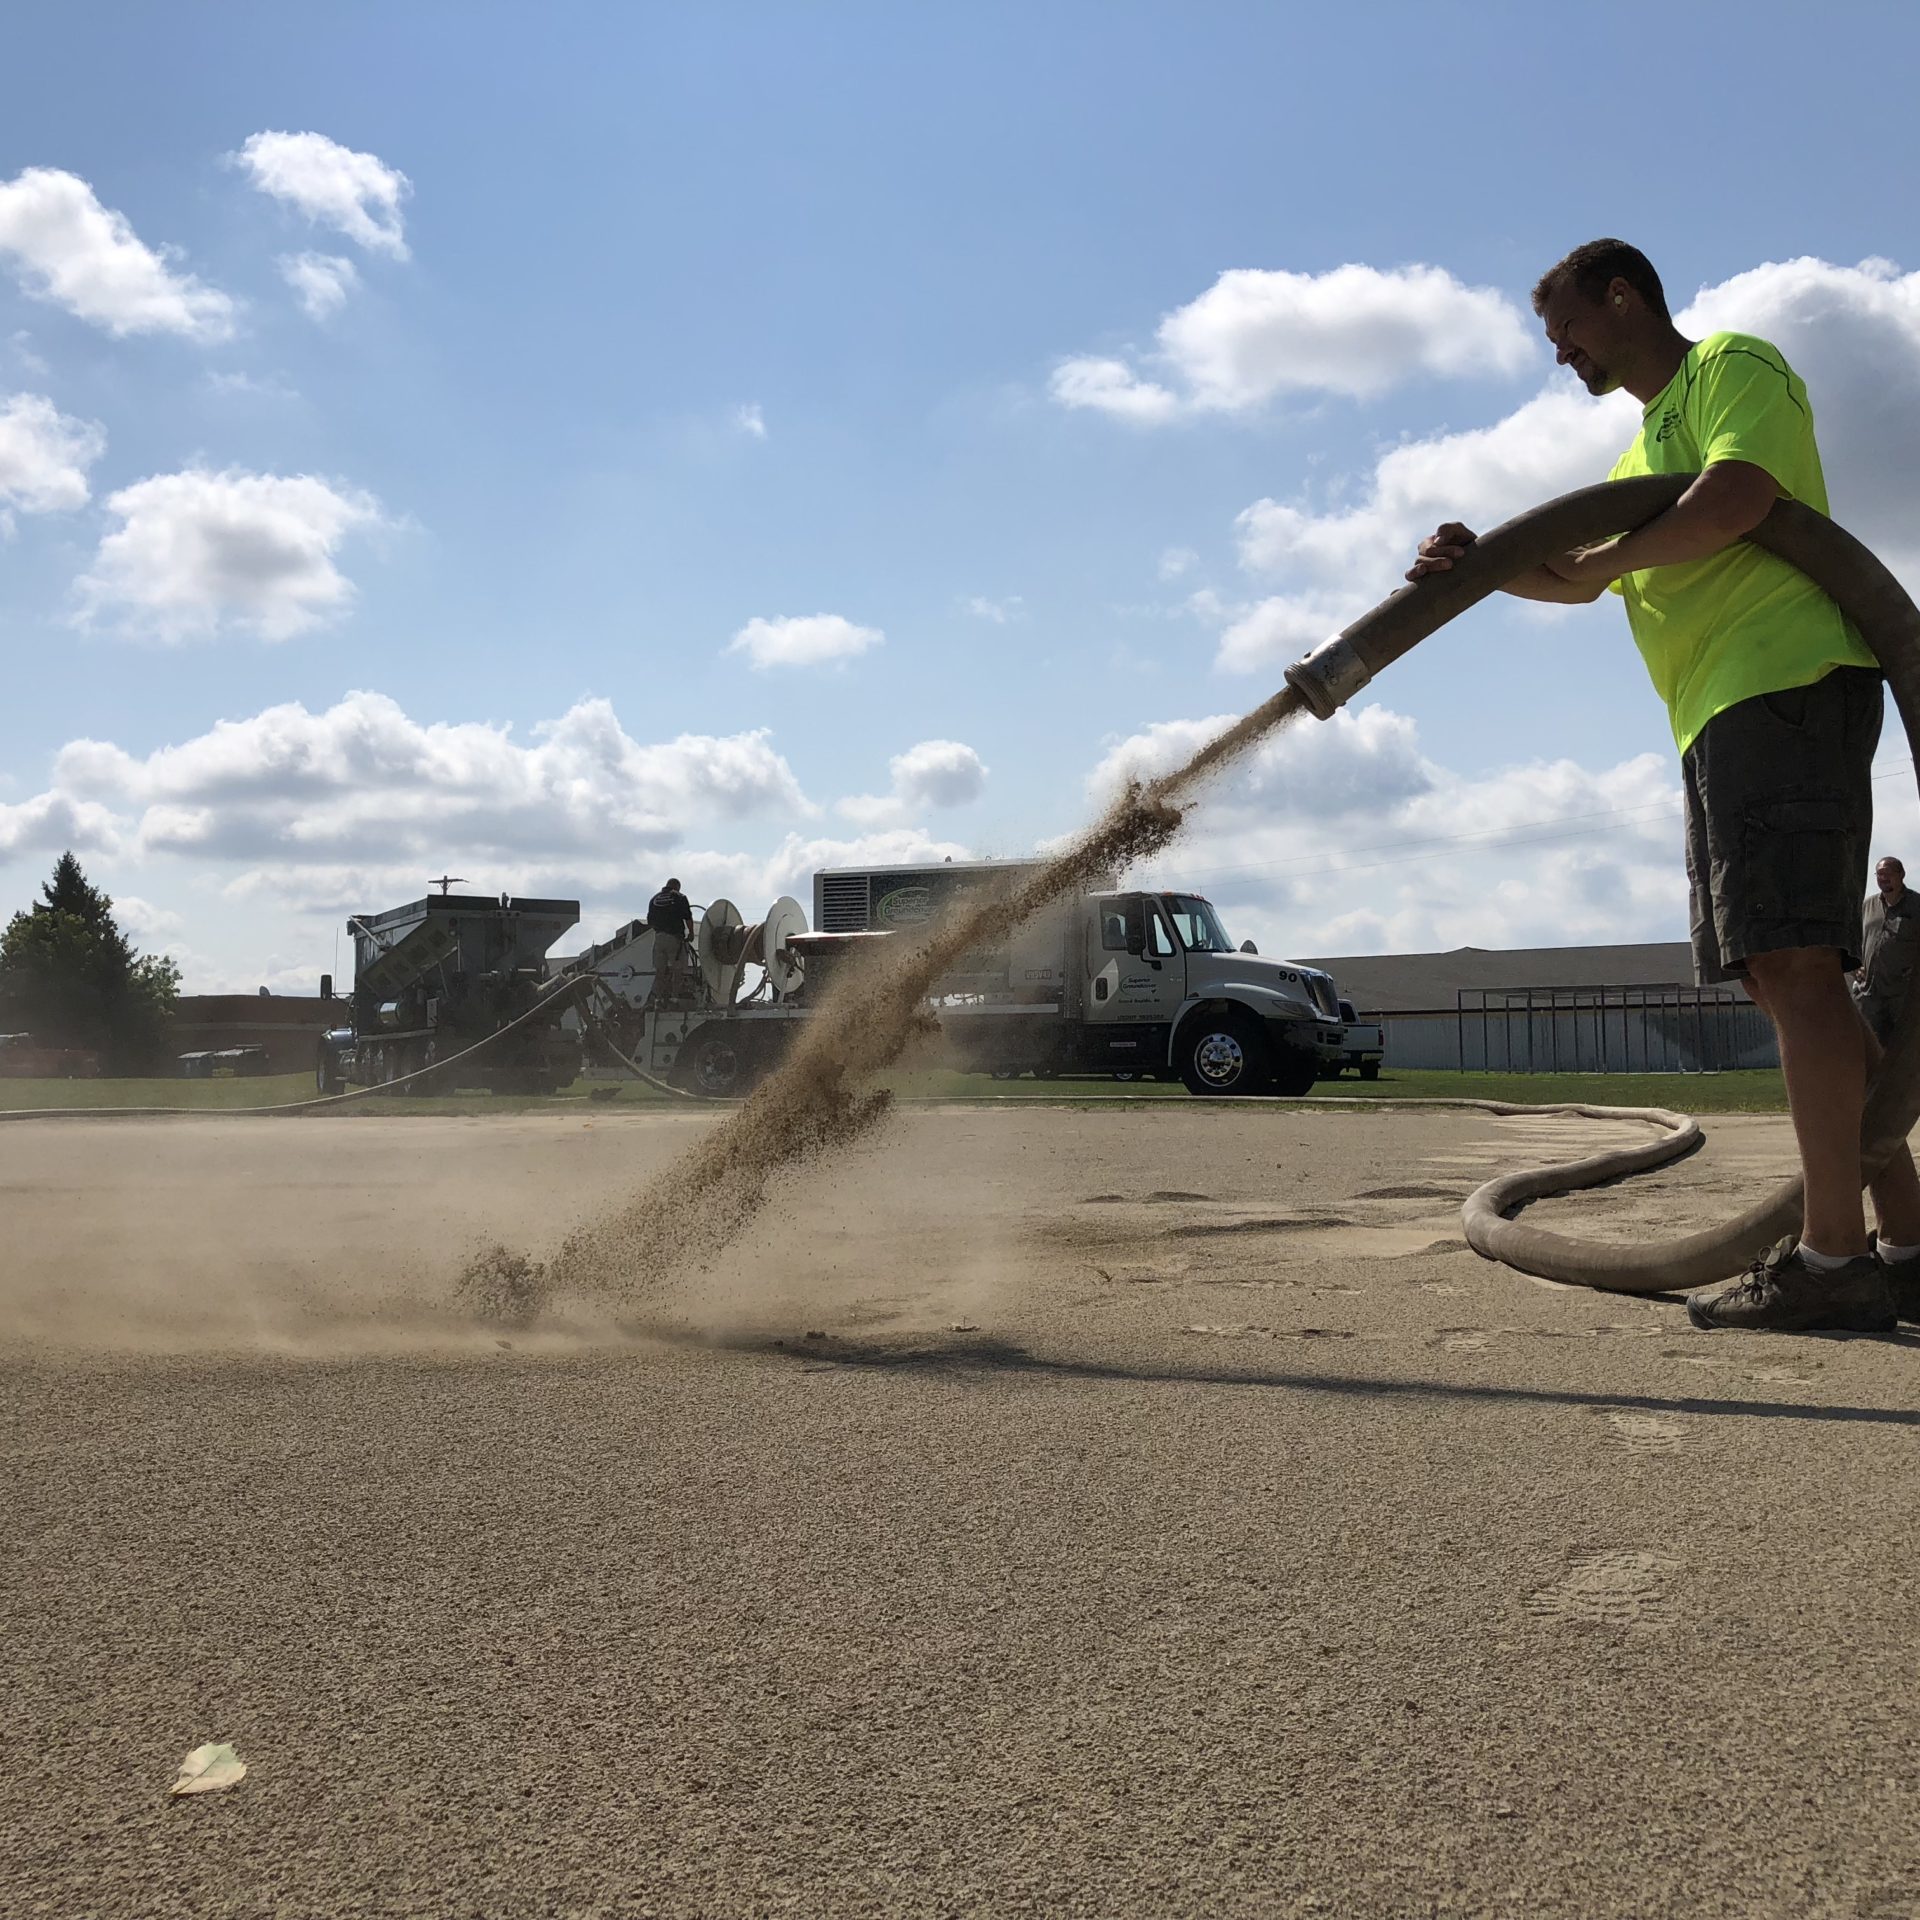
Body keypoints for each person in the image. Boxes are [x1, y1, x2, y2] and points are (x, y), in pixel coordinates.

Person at [1410, 238, 1920, 1333]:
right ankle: (1907, 1245)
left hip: (1783, 681)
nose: (1562, 357)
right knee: (1785, 981)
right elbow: (1574, 581)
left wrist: (1598, 561)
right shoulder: (1642, 448)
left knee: (1798, 967)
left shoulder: (1731, 367)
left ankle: (1833, 1263)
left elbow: (1739, 496)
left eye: (1568, 331)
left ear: (1623, 296)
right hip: (1721, 712)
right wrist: (1480, 565)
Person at [1855, 856, 1920, 1048]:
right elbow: (1855, 939)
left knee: (1905, 1050)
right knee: (1870, 1050)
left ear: (1901, 875)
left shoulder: (1916, 905)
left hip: (1903, 996)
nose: (1883, 878)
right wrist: (1857, 964)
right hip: (1869, 995)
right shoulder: (1868, 905)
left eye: (1888, 873)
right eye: (1879, 874)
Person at [645, 877, 695, 1005]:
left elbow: (650, 921)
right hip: (674, 938)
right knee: (677, 969)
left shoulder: (654, 899)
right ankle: (674, 997)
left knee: (660, 971)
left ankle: (658, 998)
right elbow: (688, 917)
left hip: (659, 938)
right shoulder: (680, 897)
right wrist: (691, 932)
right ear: (677, 887)